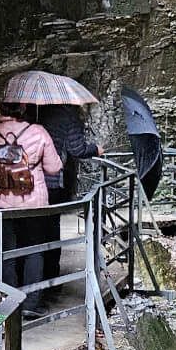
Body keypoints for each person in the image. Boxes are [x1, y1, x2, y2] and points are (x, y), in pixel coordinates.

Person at [0, 106, 61, 316]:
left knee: (6, 253)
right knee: (34, 252)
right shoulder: (38, 132)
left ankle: (9, 302)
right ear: (23, 109)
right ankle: (30, 304)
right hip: (33, 205)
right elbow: (53, 168)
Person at [35, 101, 103, 278]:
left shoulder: (40, 113)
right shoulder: (69, 118)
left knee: (32, 229)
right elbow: (77, 149)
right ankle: (50, 276)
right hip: (51, 181)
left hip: (30, 181)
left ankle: (28, 276)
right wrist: (96, 149)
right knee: (51, 228)